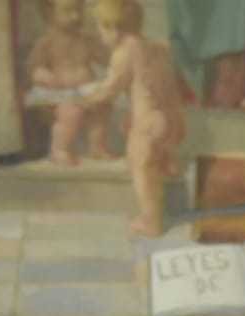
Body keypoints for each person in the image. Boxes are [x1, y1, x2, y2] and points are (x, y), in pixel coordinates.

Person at [77, 0, 187, 237]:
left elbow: (111, 88)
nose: (101, 36)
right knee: (149, 157)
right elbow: (156, 85)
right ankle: (164, 158)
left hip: (146, 123)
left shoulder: (125, 51)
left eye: (101, 29)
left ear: (114, 29)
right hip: (165, 117)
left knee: (141, 170)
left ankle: (151, 221)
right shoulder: (153, 48)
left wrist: (86, 100)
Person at [26, 0, 115, 166]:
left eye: (79, 10)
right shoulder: (47, 41)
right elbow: (35, 68)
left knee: (103, 106)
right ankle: (60, 149)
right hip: (60, 93)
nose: (76, 16)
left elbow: (106, 60)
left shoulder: (85, 40)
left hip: (85, 90)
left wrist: (110, 54)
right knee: (70, 113)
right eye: (68, 11)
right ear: (49, 13)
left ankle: (96, 146)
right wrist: (44, 76)